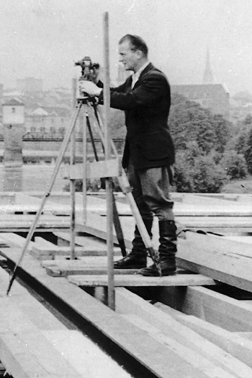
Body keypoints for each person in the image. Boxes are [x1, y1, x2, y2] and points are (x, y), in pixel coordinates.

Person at [79, 34, 177, 276]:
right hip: (136, 153)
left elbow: (130, 101)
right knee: (140, 204)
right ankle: (138, 255)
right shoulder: (136, 78)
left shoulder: (154, 79)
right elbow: (115, 94)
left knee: (159, 203)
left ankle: (166, 260)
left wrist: (97, 92)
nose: (120, 59)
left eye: (123, 54)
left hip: (154, 153)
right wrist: (96, 84)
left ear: (138, 53)